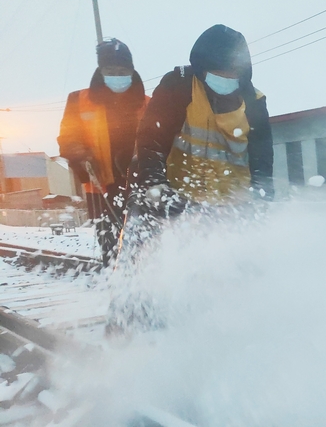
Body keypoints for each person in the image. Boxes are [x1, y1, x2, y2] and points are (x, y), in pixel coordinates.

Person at [129, 24, 274, 227]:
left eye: (232, 73)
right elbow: (151, 139)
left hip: (233, 209)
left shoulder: (254, 102)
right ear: (201, 68)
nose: (225, 78)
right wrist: (154, 183)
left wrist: (262, 196)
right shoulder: (178, 87)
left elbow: (262, 159)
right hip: (177, 203)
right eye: (217, 72)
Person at [58, 38, 148, 266]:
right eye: (110, 70)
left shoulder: (148, 103)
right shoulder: (78, 100)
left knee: (146, 248)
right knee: (111, 250)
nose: (117, 75)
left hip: (141, 189)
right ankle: (117, 291)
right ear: (100, 70)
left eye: (123, 70)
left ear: (132, 70)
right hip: (100, 187)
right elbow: (67, 139)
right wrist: (80, 155)